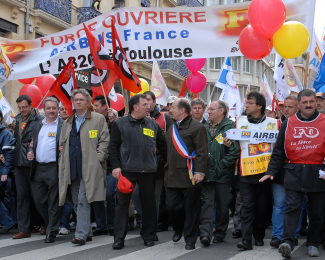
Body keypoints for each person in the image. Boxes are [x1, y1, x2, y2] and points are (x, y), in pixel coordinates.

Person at [261, 89, 325, 258]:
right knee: (292, 209)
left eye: (311, 101)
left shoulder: (324, 121)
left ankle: (313, 243)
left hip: (318, 172)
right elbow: (279, 151)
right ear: (299, 104)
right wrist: (271, 171)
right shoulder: (289, 123)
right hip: (294, 171)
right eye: (305, 102)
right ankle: (288, 242)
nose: (309, 105)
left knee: (317, 212)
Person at [109, 94, 167, 249]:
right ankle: (119, 238)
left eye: (149, 104)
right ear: (135, 107)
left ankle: (149, 235)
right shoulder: (120, 124)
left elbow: (164, 146)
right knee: (122, 204)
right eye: (145, 104)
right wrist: (116, 166)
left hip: (148, 171)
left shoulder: (153, 125)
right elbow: (113, 147)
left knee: (149, 204)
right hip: (127, 171)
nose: (148, 107)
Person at [58, 89, 109, 245]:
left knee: (82, 199)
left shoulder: (98, 119)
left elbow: (105, 141)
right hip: (71, 167)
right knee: (75, 200)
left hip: (90, 167)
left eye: (81, 99)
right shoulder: (68, 122)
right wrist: (62, 157)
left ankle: (80, 234)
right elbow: (62, 143)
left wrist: (98, 159)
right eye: (76, 100)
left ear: (88, 102)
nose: (78, 102)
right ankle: (86, 231)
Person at [236, 92, 277, 250]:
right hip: (245, 173)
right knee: (247, 206)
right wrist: (226, 143)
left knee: (262, 206)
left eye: (250, 103)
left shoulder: (274, 123)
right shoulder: (238, 122)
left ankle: (258, 235)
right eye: (246, 103)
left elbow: (279, 148)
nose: (246, 105)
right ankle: (246, 239)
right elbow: (231, 142)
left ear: (259, 106)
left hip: (265, 173)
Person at [165, 98, 208, 250]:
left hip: (190, 176)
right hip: (172, 175)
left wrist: (200, 171)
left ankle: (190, 239)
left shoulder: (197, 127)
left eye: (173, 108)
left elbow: (202, 151)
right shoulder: (171, 127)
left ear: (182, 110)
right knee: (172, 207)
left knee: (191, 209)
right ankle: (178, 228)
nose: (170, 110)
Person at [132, 91, 172, 238]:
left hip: (158, 163)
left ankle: (151, 228)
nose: (147, 103)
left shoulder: (164, 118)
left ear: (155, 102)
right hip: (139, 163)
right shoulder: (136, 119)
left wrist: (152, 125)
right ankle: (147, 220)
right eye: (144, 101)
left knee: (154, 197)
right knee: (136, 195)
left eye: (149, 100)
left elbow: (167, 141)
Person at [199, 100, 240, 246]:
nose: (208, 111)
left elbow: (234, 151)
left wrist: (221, 166)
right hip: (207, 173)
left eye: (211, 109)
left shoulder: (231, 127)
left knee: (223, 206)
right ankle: (205, 233)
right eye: (208, 109)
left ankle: (220, 233)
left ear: (221, 111)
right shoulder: (203, 127)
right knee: (206, 204)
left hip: (223, 175)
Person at [26, 97, 63, 243]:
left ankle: (51, 231)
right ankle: (52, 224)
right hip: (38, 168)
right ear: (44, 109)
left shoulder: (63, 125)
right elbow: (32, 143)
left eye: (54, 108)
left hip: (54, 167)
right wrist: (30, 150)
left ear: (58, 109)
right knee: (38, 200)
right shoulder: (37, 125)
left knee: (54, 200)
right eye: (49, 108)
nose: (51, 111)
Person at [270, 95, 302, 248]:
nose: (286, 110)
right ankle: (277, 235)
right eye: (284, 107)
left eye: (290, 107)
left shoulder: (303, 125)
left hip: (297, 172)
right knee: (279, 204)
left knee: (296, 205)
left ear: (298, 107)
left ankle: (292, 235)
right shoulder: (274, 124)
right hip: (280, 172)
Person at [12, 95, 44, 239]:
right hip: (19, 162)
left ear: (31, 105)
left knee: (37, 196)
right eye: (19, 107)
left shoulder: (39, 120)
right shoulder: (17, 119)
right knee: (22, 196)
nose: (22, 110)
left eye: (24, 107)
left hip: (33, 162)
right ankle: (24, 228)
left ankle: (44, 223)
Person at [92, 95, 118, 236]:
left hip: (110, 166)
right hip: (96, 165)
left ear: (105, 107)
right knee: (97, 196)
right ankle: (101, 225)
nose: (94, 108)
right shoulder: (92, 122)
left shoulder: (114, 123)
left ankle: (113, 224)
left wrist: (113, 121)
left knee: (110, 195)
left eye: (96, 106)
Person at [0, 110, 16, 234]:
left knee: (5, 197)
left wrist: (5, 172)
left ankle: (8, 222)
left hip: (2, 171)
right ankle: (8, 221)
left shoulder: (6, 134)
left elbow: (9, 155)